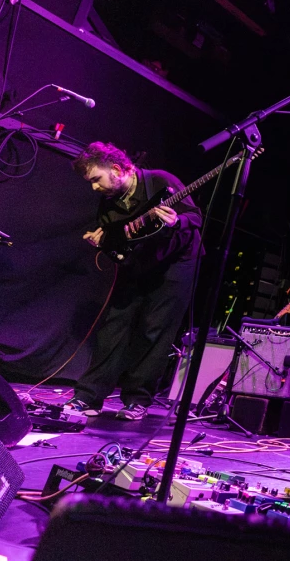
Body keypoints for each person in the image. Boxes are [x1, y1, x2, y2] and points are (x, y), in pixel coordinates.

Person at [64, 142, 202, 420]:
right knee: (113, 325)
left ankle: (137, 399)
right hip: (139, 262)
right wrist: (103, 242)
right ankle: (88, 396)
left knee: (155, 329)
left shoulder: (160, 181)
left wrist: (176, 222)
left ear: (116, 169)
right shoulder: (108, 202)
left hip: (177, 262)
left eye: (96, 180)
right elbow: (119, 240)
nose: (94, 188)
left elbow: (195, 217)